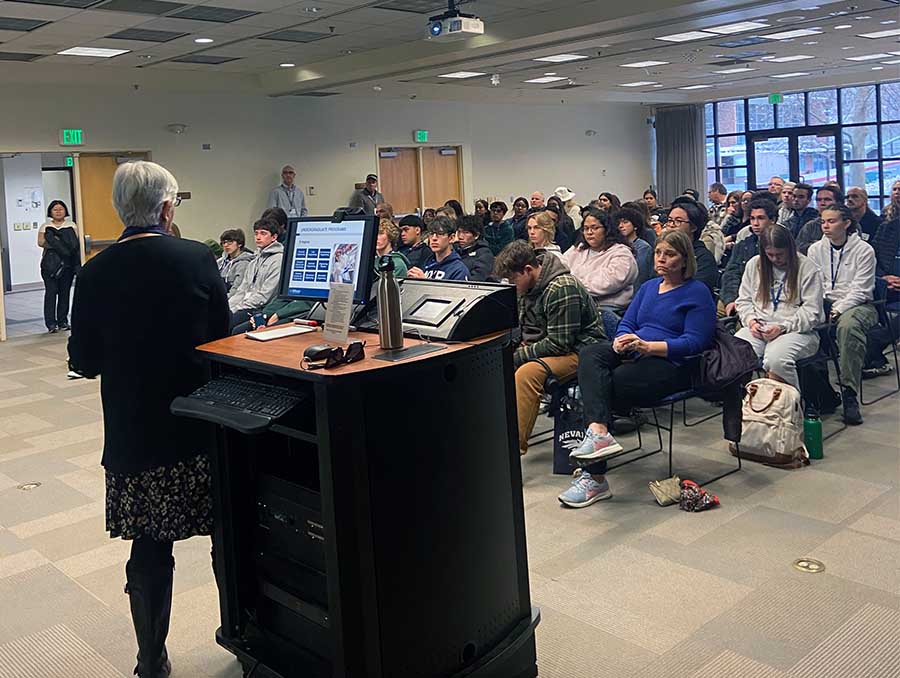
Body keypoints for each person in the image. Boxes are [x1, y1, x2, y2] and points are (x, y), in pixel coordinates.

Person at [67, 161, 230, 678]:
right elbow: (221, 342)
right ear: (166, 209)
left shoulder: (92, 272)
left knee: (149, 548)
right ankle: (245, 638)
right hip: (198, 429)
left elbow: (83, 361)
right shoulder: (196, 257)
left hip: (136, 434)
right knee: (227, 535)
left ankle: (151, 659)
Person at [563, 230, 715, 507]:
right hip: (636, 349)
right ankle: (598, 433)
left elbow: (695, 342)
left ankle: (594, 477)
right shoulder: (648, 287)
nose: (661, 259)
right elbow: (627, 322)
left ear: (684, 260)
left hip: (671, 362)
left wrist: (649, 346)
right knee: (591, 353)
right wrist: (622, 340)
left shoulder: (697, 292)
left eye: (670, 254)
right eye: (658, 253)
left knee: (607, 383)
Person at [494, 240, 602, 457]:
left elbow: (559, 343)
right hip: (549, 346)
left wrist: (519, 355)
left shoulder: (562, 288)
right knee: (493, 364)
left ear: (528, 270)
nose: (511, 285)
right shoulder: (529, 286)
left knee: (527, 374)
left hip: (583, 351)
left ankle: (511, 454)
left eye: (512, 279)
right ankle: (495, 436)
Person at [807, 204, 877, 425]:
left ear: (846, 224)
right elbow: (813, 284)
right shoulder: (815, 249)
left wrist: (837, 309)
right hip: (824, 302)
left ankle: (849, 392)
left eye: (831, 221)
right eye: (823, 222)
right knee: (805, 327)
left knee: (848, 327)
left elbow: (861, 290)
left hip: (859, 305)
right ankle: (821, 393)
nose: (825, 226)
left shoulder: (864, 250)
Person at [734, 225, 824, 390]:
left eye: (780, 254)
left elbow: (812, 312)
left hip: (797, 330)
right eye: (770, 255)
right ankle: (746, 405)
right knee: (736, 353)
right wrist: (751, 322)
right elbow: (744, 301)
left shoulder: (807, 267)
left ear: (789, 248)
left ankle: (787, 408)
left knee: (776, 360)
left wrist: (782, 327)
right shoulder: (755, 265)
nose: (775, 259)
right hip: (759, 327)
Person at [563, 207, 637, 311]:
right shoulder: (578, 249)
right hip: (577, 303)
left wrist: (569, 285)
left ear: (606, 230)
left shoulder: (622, 254)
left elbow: (605, 284)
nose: (589, 232)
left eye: (594, 228)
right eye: (586, 228)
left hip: (607, 310)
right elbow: (560, 268)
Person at [720, 198, 779, 317]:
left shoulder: (783, 245)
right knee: (715, 314)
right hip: (741, 294)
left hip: (769, 298)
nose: (755, 223)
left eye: (761, 218)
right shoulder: (744, 244)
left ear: (773, 220)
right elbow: (731, 273)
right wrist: (731, 299)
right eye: (752, 218)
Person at [228, 217, 284, 329]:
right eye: (256, 233)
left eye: (263, 233)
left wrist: (238, 308)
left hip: (260, 308)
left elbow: (265, 295)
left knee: (231, 325)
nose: (258, 237)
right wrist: (228, 307)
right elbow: (242, 290)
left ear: (274, 237)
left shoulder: (279, 260)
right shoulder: (254, 261)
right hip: (245, 305)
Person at [863, 214, 900, 378]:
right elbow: (873, 259)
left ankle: (875, 345)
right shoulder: (887, 227)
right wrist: (882, 278)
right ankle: (875, 358)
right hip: (888, 286)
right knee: (863, 300)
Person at [38, 199, 80, 333]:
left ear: (65, 211)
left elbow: (74, 243)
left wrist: (56, 241)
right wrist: (62, 243)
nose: (58, 211)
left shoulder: (71, 225)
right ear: (50, 211)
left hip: (67, 265)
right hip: (50, 266)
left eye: (60, 209)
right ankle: (50, 323)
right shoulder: (45, 226)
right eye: (55, 209)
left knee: (64, 293)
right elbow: (41, 242)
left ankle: (63, 321)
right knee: (51, 293)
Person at [662, 197, 718, 292]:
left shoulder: (704, 258)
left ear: (693, 227)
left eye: (678, 221)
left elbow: (697, 291)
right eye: (670, 220)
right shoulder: (661, 252)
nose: (671, 225)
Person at [407, 216, 469, 281]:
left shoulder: (459, 270)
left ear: (451, 238)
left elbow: (454, 291)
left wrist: (424, 282)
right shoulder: (427, 263)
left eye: (440, 234)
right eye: (431, 234)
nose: (434, 238)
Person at [796, 185, 844, 254]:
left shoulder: (847, 224)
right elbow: (799, 248)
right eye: (819, 200)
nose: (822, 203)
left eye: (827, 199)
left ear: (838, 202)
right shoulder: (810, 226)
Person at [616, 206, 655, 289]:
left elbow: (640, 276)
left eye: (625, 222)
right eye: (619, 223)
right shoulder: (616, 246)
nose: (621, 226)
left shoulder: (643, 248)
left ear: (635, 225)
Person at [454, 215, 494, 281]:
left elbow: (478, 279)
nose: (460, 236)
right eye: (459, 232)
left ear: (476, 235)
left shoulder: (484, 254)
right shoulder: (454, 249)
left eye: (466, 232)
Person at [216, 228, 254, 293]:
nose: (226, 245)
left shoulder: (244, 263)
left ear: (239, 244)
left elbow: (237, 288)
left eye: (230, 242)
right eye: (224, 243)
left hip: (230, 298)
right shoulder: (220, 261)